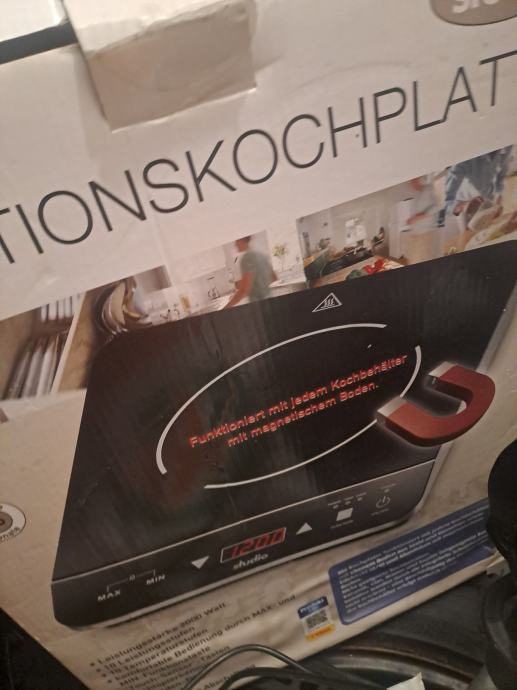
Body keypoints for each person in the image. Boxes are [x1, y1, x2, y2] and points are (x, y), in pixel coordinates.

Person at [442, 146, 513, 249]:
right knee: (467, 237)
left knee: (488, 233)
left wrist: (499, 194)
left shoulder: (504, 150)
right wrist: (464, 204)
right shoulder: (462, 162)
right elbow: (449, 204)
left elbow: (501, 174)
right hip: (464, 204)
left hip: (487, 201)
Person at [224, 236, 277, 308]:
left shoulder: (247, 257)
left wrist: (226, 307)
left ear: (241, 240)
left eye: (236, 241)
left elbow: (244, 290)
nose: (235, 244)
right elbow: (274, 277)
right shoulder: (261, 255)